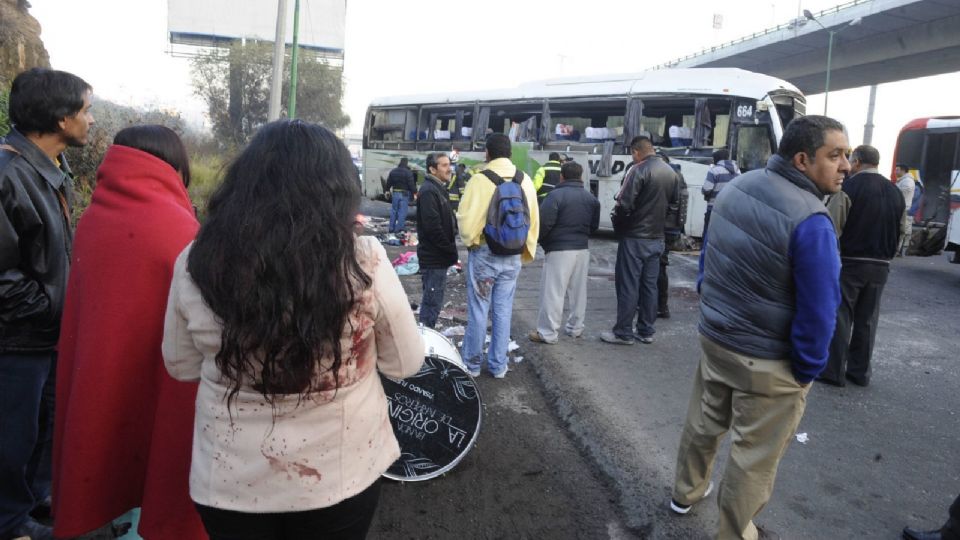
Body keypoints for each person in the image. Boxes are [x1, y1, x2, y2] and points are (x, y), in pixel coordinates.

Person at [162, 120, 424, 540]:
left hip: (228, 481)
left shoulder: (198, 261)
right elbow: (406, 363)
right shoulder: (365, 261)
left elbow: (180, 366)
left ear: (244, 184)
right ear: (338, 190)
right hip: (339, 476)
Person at [670, 115, 847, 540]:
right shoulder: (812, 220)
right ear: (803, 160)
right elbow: (821, 310)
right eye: (835, 155)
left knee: (704, 422)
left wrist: (710, 309)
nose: (845, 165)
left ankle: (684, 493)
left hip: (717, 339)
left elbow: (708, 259)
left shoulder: (737, 187)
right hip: (767, 360)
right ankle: (735, 532)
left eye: (848, 155)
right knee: (754, 457)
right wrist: (806, 369)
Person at [52, 126, 205, 539]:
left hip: (98, 377)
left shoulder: (94, 217)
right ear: (173, 166)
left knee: (105, 452)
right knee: (155, 469)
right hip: (162, 377)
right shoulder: (178, 226)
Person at [0, 67, 93, 540]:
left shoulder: (50, 172)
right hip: (16, 338)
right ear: (60, 119)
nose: (90, 121)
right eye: (85, 110)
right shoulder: (8, 172)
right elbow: (3, 278)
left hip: (44, 332)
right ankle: (10, 523)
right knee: (12, 436)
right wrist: (49, 307)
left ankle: (33, 507)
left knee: (39, 430)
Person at [818, 145, 904, 388]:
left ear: (856, 162)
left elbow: (832, 227)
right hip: (881, 265)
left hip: (851, 262)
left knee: (842, 315)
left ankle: (833, 372)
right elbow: (902, 230)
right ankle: (860, 372)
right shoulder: (895, 192)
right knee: (867, 319)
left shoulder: (849, 188)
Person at [457, 133, 539, 379]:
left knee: (479, 309)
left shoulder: (479, 180)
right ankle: (498, 365)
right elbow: (533, 219)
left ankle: (471, 364)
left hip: (484, 253)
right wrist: (527, 250)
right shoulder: (525, 180)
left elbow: (466, 219)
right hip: (513, 255)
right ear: (510, 153)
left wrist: (471, 242)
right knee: (503, 310)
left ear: (487, 153)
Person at [601, 136, 679, 346]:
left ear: (636, 152)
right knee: (649, 286)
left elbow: (623, 204)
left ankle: (623, 332)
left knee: (628, 285)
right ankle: (646, 330)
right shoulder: (671, 172)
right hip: (657, 238)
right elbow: (674, 206)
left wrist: (621, 226)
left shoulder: (637, 170)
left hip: (635, 238)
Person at [529, 161, 600, 344]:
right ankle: (576, 328)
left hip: (559, 249)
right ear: (581, 176)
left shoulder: (555, 196)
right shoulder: (591, 198)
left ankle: (548, 333)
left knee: (553, 292)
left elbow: (544, 224)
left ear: (562, 176)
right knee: (578, 292)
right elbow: (594, 226)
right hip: (582, 249)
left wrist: (542, 242)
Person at [416, 152, 457, 328]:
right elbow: (432, 227)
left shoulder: (438, 188)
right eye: (444, 165)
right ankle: (425, 341)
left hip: (438, 256)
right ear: (433, 169)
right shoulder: (428, 191)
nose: (449, 169)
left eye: (449, 164)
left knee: (434, 300)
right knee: (431, 302)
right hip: (434, 257)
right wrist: (448, 249)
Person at [657, 153, 688, 319]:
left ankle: (660, 306)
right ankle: (660, 306)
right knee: (660, 266)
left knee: (658, 267)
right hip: (673, 228)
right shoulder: (679, 176)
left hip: (663, 228)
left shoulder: (667, 178)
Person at [701, 148, 740, 238]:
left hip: (714, 208)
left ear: (717, 159)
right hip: (731, 209)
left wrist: (703, 191)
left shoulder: (714, 170)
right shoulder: (737, 171)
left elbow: (707, 189)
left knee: (708, 234)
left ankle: (706, 252)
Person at [386, 157, 416, 233]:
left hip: (395, 193)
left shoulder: (393, 171)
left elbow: (388, 182)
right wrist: (415, 192)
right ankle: (398, 228)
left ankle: (391, 228)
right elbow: (411, 184)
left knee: (394, 211)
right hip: (404, 194)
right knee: (402, 212)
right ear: (406, 163)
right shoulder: (408, 172)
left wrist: (387, 190)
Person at [895, 163, 917, 256]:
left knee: (902, 230)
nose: (895, 171)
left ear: (903, 170)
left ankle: (898, 250)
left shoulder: (907, 181)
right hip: (901, 208)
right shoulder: (902, 180)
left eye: (897, 169)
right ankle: (898, 250)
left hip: (904, 209)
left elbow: (904, 192)